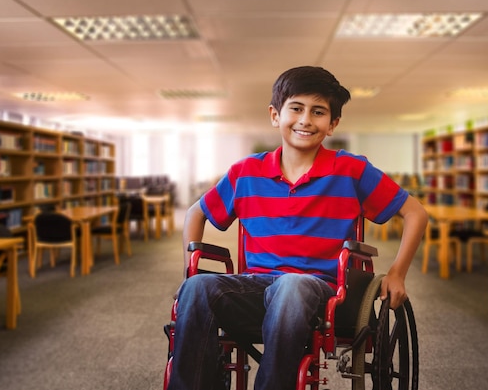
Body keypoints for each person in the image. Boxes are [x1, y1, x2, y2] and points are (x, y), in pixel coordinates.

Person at [167, 66, 428, 390]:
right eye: (296, 108)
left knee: (292, 286)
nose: (305, 119)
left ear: (332, 124)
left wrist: (397, 273)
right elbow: (196, 213)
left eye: (318, 112)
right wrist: (188, 274)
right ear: (275, 115)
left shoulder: (351, 170)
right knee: (196, 287)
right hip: (256, 288)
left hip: (322, 295)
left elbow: (415, 213)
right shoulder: (246, 173)